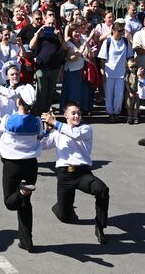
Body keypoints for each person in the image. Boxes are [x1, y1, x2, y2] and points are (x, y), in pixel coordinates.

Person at [41, 102, 110, 245]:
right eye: (73, 113)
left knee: (102, 189)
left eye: (79, 113)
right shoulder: (58, 131)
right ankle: (60, 207)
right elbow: (42, 145)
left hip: (82, 174)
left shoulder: (85, 129)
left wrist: (54, 122)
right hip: (65, 176)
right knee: (65, 217)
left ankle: (100, 226)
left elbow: (74, 134)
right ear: (65, 115)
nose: (77, 115)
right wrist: (47, 130)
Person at [0, 84, 43, 253]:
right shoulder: (38, 122)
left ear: (18, 102)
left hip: (12, 164)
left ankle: (22, 192)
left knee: (10, 201)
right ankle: (27, 241)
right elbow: (41, 136)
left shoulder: (8, 120)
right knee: (26, 204)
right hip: (31, 165)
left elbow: (1, 129)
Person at [98, 21, 135, 122]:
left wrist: (132, 67)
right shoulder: (108, 42)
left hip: (121, 73)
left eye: (122, 30)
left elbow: (129, 56)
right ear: (113, 31)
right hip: (109, 73)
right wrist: (102, 73)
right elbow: (102, 58)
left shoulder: (125, 42)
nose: (121, 32)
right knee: (109, 95)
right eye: (119, 31)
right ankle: (110, 113)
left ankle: (117, 112)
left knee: (119, 95)